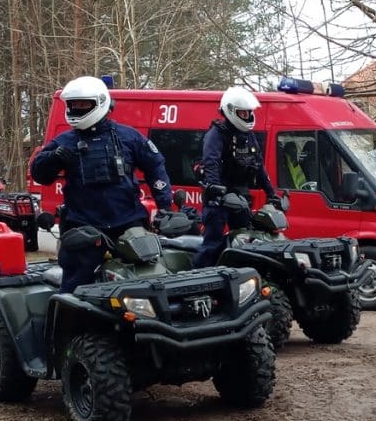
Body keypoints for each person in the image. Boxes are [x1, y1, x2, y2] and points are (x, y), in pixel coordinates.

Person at [30, 76, 173, 292]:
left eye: (83, 104)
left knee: (150, 278)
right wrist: (52, 159)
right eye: (73, 105)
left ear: (100, 102)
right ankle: (65, 325)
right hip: (84, 225)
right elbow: (40, 174)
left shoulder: (129, 137)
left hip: (128, 221)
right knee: (74, 287)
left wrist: (164, 207)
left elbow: (156, 167)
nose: (77, 109)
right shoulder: (64, 141)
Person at [192, 86, 280, 268]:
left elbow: (259, 165)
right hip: (219, 198)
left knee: (245, 239)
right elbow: (211, 163)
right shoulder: (216, 134)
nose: (247, 116)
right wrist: (216, 190)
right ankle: (198, 277)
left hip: (240, 197)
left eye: (249, 113)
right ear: (231, 111)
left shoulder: (249, 136)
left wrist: (271, 194)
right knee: (213, 243)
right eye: (243, 113)